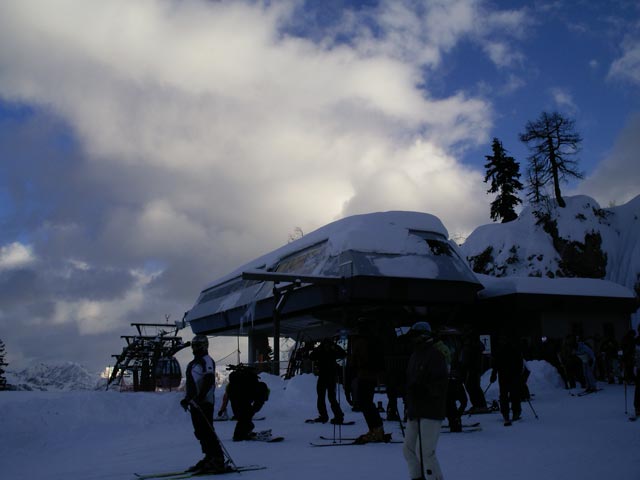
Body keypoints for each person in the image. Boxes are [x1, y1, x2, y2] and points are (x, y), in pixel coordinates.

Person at [402, 321, 448, 480]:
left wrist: (424, 389)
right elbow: (410, 382)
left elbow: (441, 384)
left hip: (431, 410)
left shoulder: (435, 356)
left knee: (426, 453)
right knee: (408, 450)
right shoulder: (414, 355)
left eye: (414, 337)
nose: (411, 340)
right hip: (415, 409)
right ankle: (417, 477)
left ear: (423, 337)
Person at [180, 334, 227, 474]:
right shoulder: (194, 362)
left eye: (198, 345)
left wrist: (200, 398)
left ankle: (218, 459)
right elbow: (192, 385)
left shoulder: (206, 360)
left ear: (204, 346)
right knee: (200, 432)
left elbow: (208, 381)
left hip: (205, 403)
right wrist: (187, 399)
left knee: (207, 431)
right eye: (193, 345)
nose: (195, 348)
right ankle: (209, 456)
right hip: (196, 403)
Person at [349, 321, 387, 443]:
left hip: (364, 374)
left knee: (364, 402)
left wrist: (353, 368)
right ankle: (376, 429)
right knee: (367, 402)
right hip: (372, 375)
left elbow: (356, 359)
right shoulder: (374, 340)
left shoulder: (360, 342)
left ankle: (375, 429)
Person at [218, 364, 269, 441]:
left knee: (243, 418)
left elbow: (226, 397)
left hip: (235, 398)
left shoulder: (234, 384)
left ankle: (244, 433)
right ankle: (239, 436)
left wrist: (222, 409)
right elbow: (259, 402)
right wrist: (254, 409)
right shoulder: (259, 388)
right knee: (245, 418)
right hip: (243, 398)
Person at [308, 338, 346, 424]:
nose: (327, 346)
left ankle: (335, 416)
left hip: (329, 376)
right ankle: (333, 416)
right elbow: (311, 357)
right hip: (325, 375)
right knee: (324, 397)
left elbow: (343, 354)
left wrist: (335, 348)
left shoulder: (331, 348)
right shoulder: (323, 349)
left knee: (328, 397)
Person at [490, 335, 524, 426]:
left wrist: (494, 374)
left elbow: (495, 364)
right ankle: (515, 412)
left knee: (504, 395)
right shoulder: (514, 349)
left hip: (504, 375)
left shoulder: (499, 350)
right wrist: (519, 374)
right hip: (512, 375)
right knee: (513, 394)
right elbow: (520, 363)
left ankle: (506, 413)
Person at [459, 329, 489, 413]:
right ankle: (476, 405)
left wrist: (467, 365)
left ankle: (481, 405)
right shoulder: (469, 344)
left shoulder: (473, 345)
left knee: (474, 386)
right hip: (470, 368)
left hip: (473, 369)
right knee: (470, 386)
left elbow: (470, 357)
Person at [446, 364, 468, 433]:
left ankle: (455, 420)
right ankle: (454, 421)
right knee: (450, 405)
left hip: (455, 388)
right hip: (449, 392)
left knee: (452, 406)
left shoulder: (458, 384)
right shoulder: (450, 384)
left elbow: (464, 402)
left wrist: (458, 415)